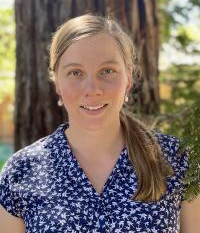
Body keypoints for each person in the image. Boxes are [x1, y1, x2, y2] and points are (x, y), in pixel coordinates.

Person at [0, 14, 199, 233]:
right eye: (75, 72)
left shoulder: (177, 160)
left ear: (129, 78)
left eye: (107, 71)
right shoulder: (21, 170)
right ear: (57, 82)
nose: (93, 88)